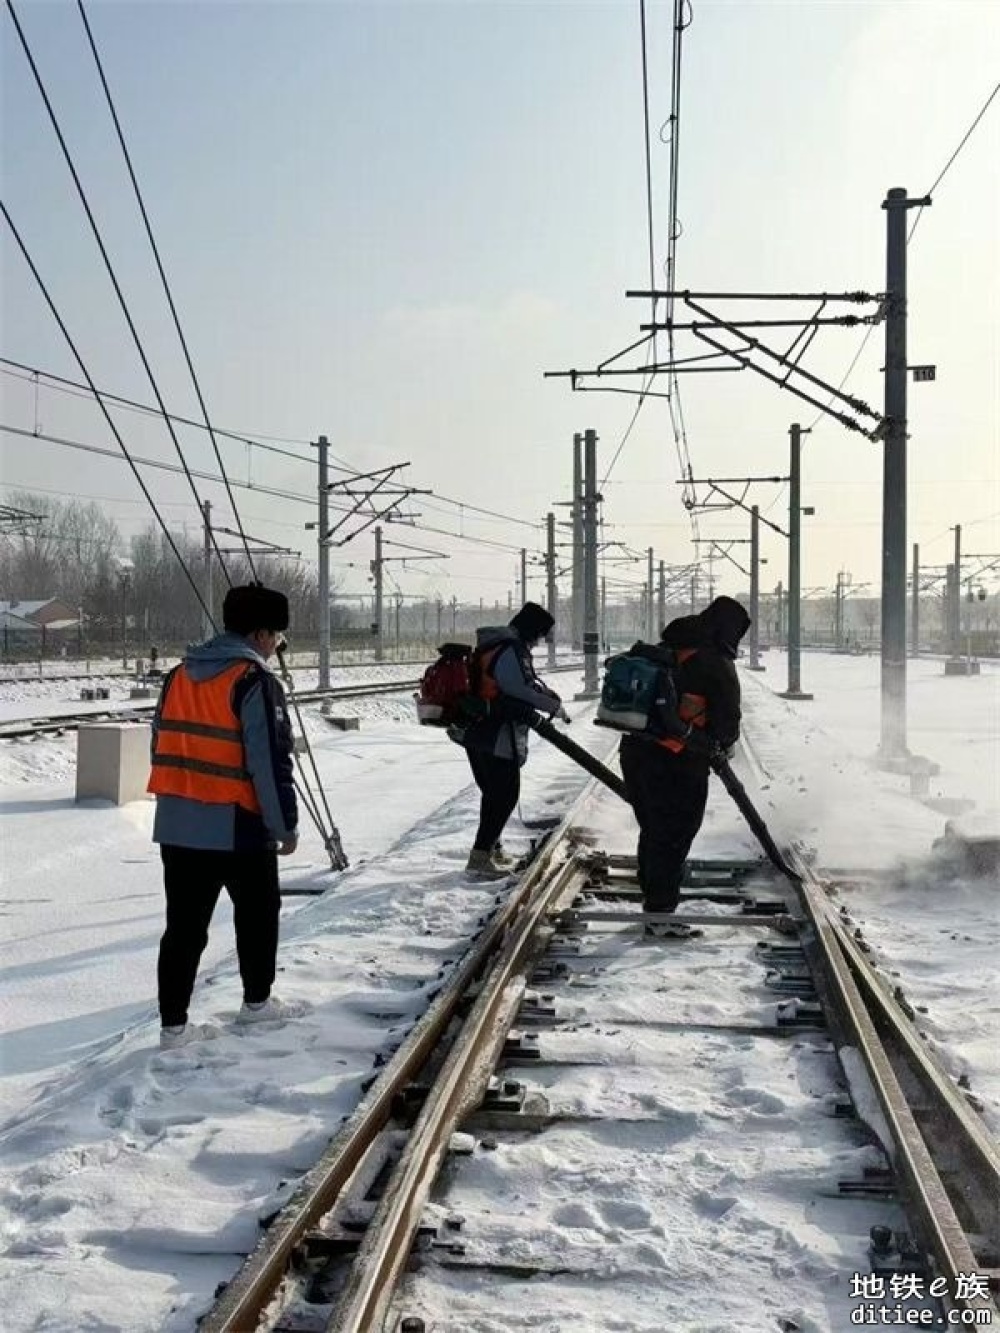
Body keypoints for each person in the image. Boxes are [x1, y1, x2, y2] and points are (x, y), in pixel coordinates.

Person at [147, 583, 299, 1048]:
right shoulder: (253, 682)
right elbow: (268, 763)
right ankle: (257, 1005)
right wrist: (284, 826)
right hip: (237, 822)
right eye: (275, 635)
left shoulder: (177, 676)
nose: (276, 645)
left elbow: (159, 742)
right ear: (258, 634)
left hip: (176, 823)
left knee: (183, 928)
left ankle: (173, 1027)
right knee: (257, 914)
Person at [619, 596, 751, 928]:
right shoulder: (715, 663)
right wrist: (720, 746)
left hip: (635, 753)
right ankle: (660, 913)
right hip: (677, 761)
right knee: (675, 833)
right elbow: (726, 724)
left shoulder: (664, 649)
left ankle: (654, 900)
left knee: (653, 830)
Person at [457, 601, 566, 879]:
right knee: (505, 795)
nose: (541, 641)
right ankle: (480, 857)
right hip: (496, 731)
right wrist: (551, 706)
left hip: (478, 728)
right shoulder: (510, 649)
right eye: (541, 634)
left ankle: (490, 849)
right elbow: (517, 688)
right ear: (532, 629)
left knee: (494, 794)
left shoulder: (497, 646)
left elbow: (522, 683)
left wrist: (547, 696)